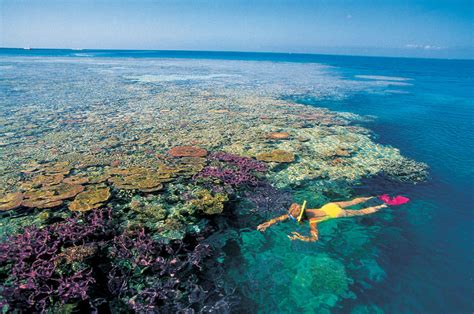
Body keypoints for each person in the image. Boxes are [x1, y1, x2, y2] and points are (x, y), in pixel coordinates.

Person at [257, 195, 409, 242]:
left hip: (334, 213)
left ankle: (383, 206)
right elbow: (284, 216)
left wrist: (300, 238)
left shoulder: (312, 221)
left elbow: (315, 238)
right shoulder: (307, 212)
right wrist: (268, 223)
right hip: (328, 206)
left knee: (361, 212)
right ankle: (373, 197)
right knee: (353, 202)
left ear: (300, 217)